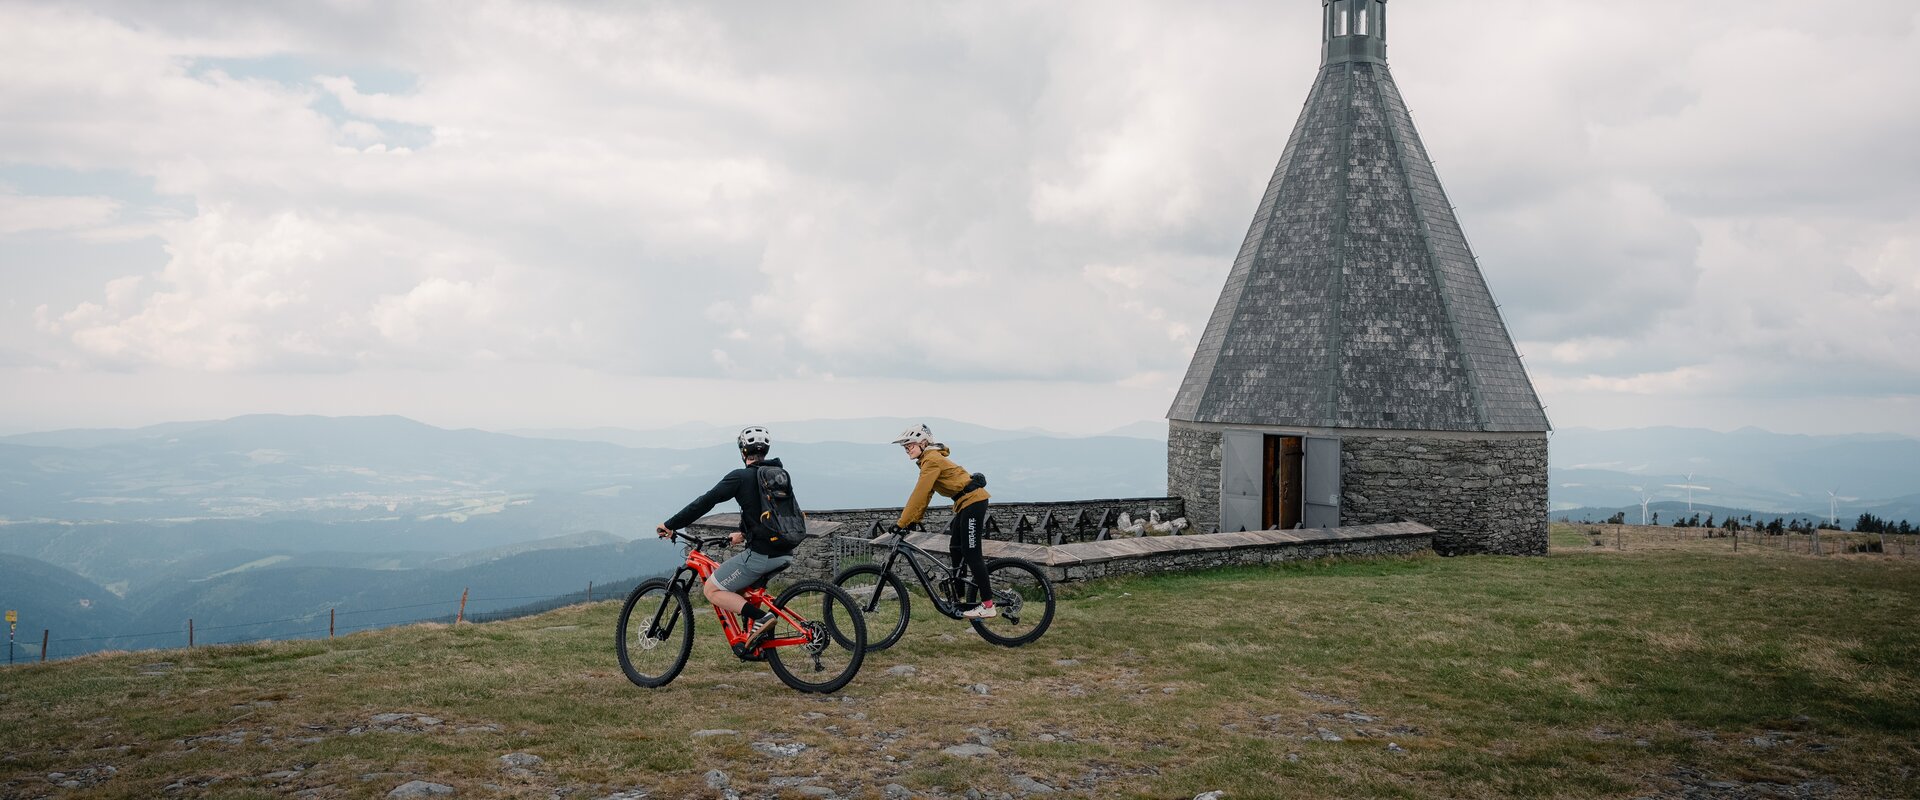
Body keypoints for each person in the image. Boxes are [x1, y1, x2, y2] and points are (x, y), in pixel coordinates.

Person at [657, 426, 792, 647]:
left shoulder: (740, 476)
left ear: (742, 451)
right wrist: (744, 533)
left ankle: (762, 619)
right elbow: (767, 512)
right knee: (742, 591)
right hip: (785, 551)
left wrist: (671, 524)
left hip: (761, 555)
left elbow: (705, 502)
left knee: (712, 589)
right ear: (765, 451)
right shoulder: (778, 475)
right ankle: (756, 643)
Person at [891, 424, 996, 618]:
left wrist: (902, 522)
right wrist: (913, 520)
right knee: (955, 547)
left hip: (974, 502)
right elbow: (927, 495)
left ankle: (988, 605)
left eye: (910, 445)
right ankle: (959, 596)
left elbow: (919, 493)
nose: (907, 449)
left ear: (923, 443)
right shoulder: (928, 460)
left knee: (972, 553)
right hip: (965, 503)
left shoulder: (931, 460)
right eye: (905, 447)